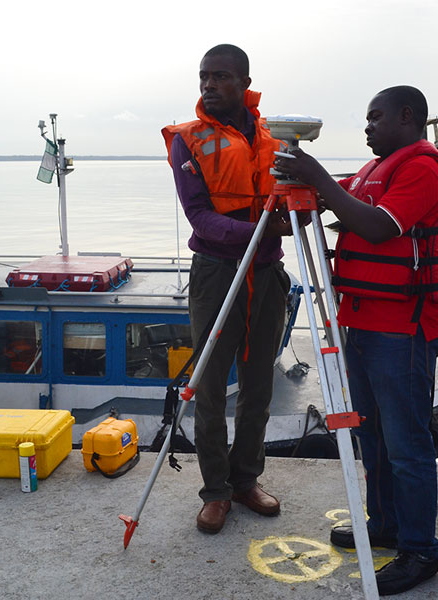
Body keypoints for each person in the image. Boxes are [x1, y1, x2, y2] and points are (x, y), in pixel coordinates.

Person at [274, 85, 438, 595]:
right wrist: (299, 184)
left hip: (403, 330)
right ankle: (385, 524)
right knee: (372, 434)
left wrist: (316, 177)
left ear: (407, 116)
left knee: (407, 445)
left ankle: (420, 551)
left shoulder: (423, 168)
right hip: (362, 324)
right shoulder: (373, 170)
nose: (367, 127)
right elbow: (336, 200)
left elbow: (378, 227)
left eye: (376, 117)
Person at [162, 44, 292, 534]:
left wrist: (304, 209)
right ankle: (215, 491)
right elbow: (199, 217)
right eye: (204, 77)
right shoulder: (187, 141)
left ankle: (245, 480)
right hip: (216, 273)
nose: (209, 85)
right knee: (211, 385)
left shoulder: (277, 138)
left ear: (244, 82)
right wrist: (261, 229)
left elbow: (294, 201)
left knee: (259, 383)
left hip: (267, 273)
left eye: (220, 77)